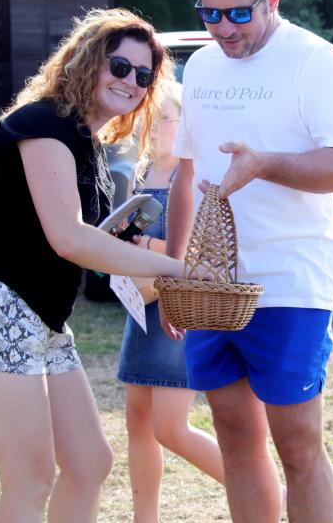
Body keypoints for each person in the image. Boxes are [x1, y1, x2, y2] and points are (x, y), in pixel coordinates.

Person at [0, 8, 185, 522]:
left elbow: (88, 245)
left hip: (40, 315)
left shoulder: (87, 145)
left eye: (143, 75)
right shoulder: (44, 123)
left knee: (89, 463)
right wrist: (177, 269)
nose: (130, 82)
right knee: (30, 478)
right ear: (87, 62)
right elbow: (68, 238)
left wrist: (153, 274)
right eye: (119, 66)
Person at [162, 0, 333, 523]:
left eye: (237, 13)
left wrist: (265, 164)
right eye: (210, 13)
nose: (223, 29)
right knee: (233, 434)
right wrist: (176, 272)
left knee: (297, 444)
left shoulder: (315, 60)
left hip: (290, 279)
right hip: (212, 285)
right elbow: (187, 173)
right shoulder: (201, 66)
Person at [116, 78, 225, 522]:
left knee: (172, 428)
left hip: (180, 310)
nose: (155, 127)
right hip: (142, 307)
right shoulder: (141, 173)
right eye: (149, 119)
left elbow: (202, 256)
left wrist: (144, 248)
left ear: (185, 124)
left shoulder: (190, 175)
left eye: (164, 118)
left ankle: (268, 494)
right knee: (137, 423)